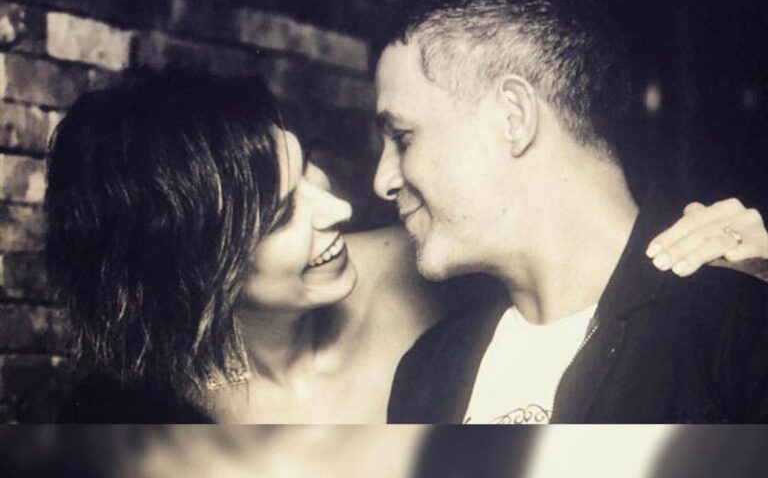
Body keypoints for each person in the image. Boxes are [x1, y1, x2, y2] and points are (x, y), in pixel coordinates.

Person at [48, 72, 765, 423]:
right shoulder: (127, 415)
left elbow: (611, 274)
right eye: (281, 216)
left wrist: (746, 255)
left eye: (307, 170)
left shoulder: (437, 267)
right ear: (194, 271)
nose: (338, 208)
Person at [375, 0, 768, 423]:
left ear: (513, 117)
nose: (382, 180)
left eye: (402, 138)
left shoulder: (734, 330)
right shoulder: (427, 371)